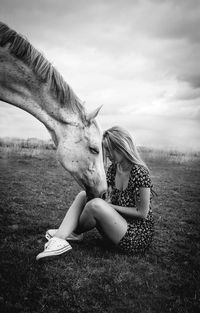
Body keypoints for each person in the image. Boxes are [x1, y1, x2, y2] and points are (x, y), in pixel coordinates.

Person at [36, 126, 155, 261]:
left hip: (136, 235)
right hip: (117, 225)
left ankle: (72, 233)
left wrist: (108, 206)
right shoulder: (113, 169)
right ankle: (61, 237)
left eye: (110, 150)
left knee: (95, 205)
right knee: (84, 195)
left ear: (122, 147)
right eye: (106, 150)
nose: (107, 154)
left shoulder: (140, 173)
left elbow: (142, 213)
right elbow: (108, 197)